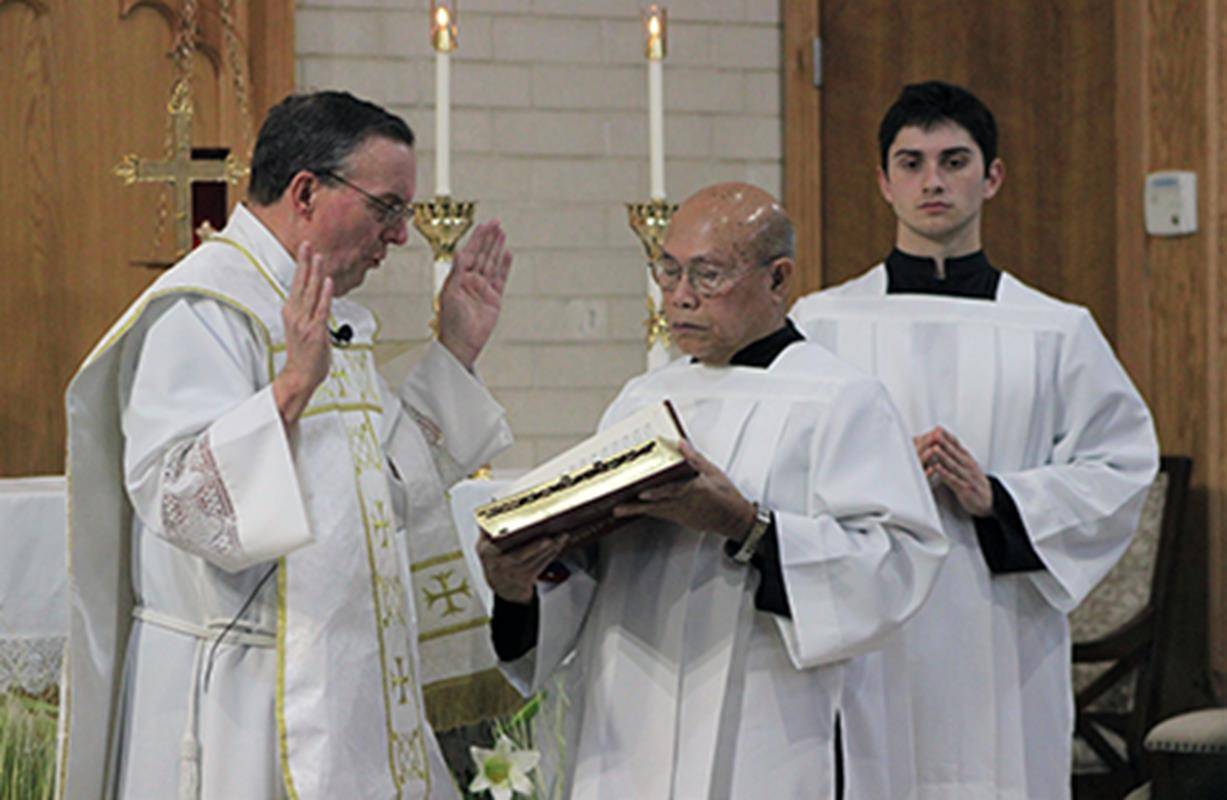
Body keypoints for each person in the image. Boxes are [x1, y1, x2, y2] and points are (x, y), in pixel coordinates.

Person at [59, 91, 515, 799]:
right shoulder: (203, 310)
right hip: (239, 700)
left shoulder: (327, 316)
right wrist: (289, 392)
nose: (399, 237)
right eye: (388, 207)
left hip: (344, 681)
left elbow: (387, 490)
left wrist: (454, 348)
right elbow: (178, 500)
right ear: (305, 191)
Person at [477, 183, 948, 799]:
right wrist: (520, 591)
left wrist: (746, 526)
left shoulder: (840, 400)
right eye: (668, 270)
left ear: (778, 281)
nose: (679, 296)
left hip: (772, 725)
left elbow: (894, 567)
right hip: (630, 725)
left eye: (708, 274)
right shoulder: (640, 401)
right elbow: (586, 572)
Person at [791, 80, 1160, 799]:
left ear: (991, 177)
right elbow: (781, 468)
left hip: (1000, 630)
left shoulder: (1055, 330)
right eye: (910, 162)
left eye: (954, 160)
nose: (932, 180)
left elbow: (1120, 467)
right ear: (883, 182)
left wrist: (999, 497)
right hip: (870, 633)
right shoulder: (821, 325)